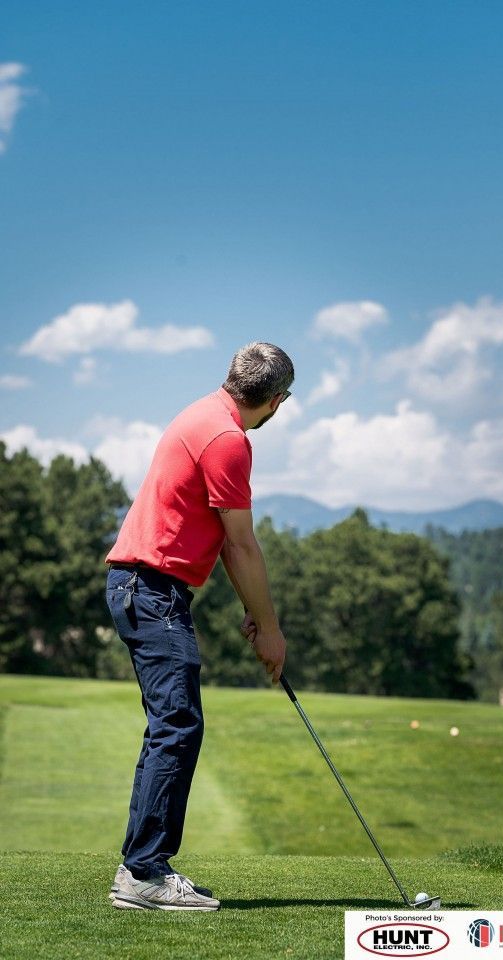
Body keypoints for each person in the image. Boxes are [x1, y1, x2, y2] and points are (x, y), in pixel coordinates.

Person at [104, 342, 294, 911]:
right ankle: (144, 874)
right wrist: (269, 628)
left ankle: (140, 869)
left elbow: (222, 540)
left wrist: (254, 613)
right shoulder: (229, 439)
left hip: (145, 587)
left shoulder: (202, 413)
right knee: (177, 725)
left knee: (173, 723)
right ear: (277, 402)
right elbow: (241, 544)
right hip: (151, 590)